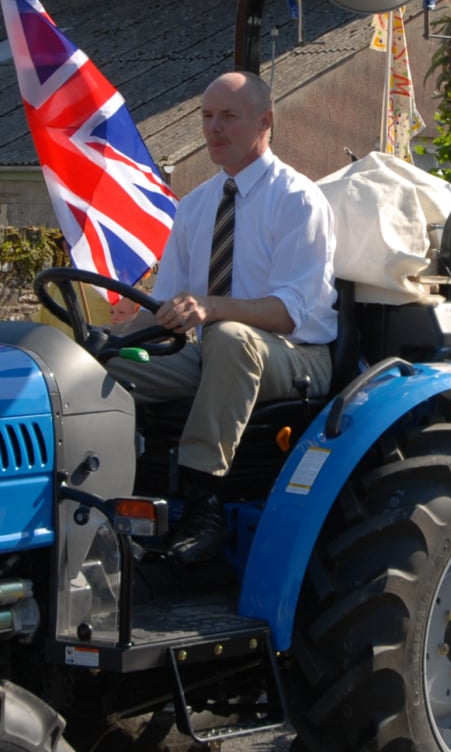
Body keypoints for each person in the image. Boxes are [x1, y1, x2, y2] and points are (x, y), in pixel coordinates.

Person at [105, 71, 336, 567]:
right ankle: (100, 500)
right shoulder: (195, 206)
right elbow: (167, 308)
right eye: (207, 116)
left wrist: (210, 307)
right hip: (212, 354)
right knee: (99, 366)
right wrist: (111, 336)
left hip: (296, 359)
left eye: (228, 116)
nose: (214, 128)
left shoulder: (298, 200)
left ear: (264, 122)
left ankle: (203, 500)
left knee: (231, 337)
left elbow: (289, 313)